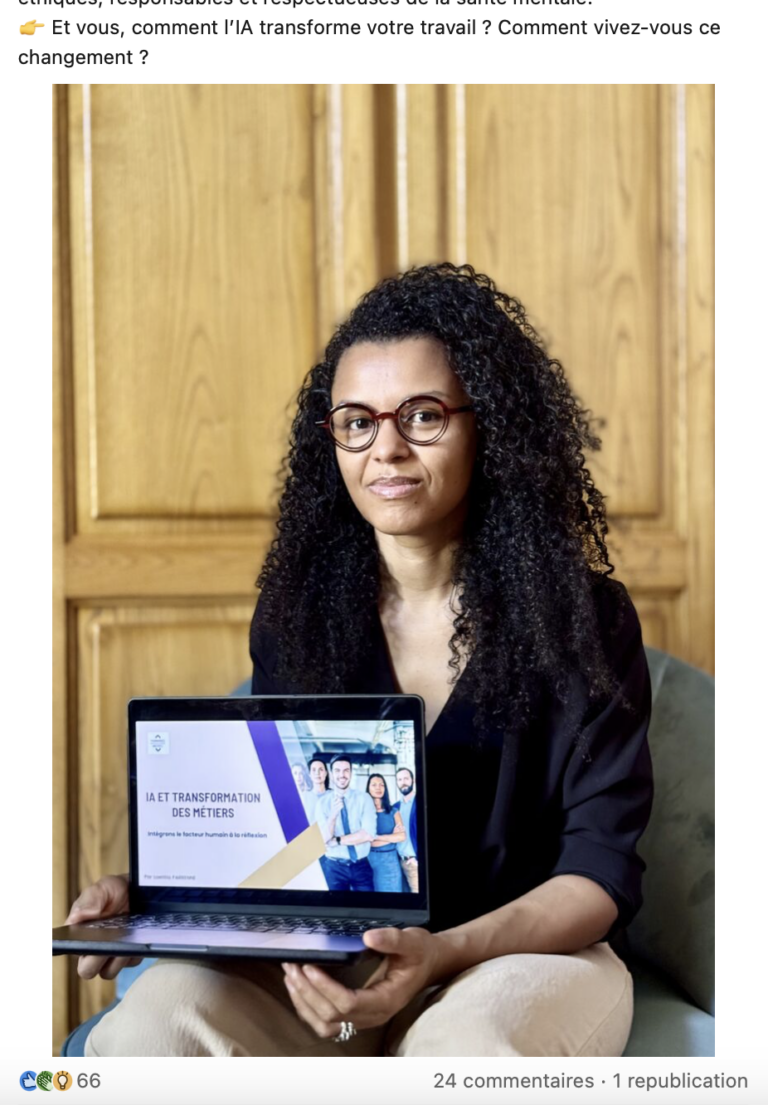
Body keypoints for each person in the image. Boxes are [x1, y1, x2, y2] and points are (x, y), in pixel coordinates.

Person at [72, 263, 652, 1057]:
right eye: (356, 422)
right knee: (156, 1023)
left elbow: (598, 871)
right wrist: (150, 894)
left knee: (465, 1045)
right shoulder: (299, 614)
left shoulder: (585, 617)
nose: (386, 449)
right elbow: (290, 840)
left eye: (422, 416)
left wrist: (442, 953)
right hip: (344, 961)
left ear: (489, 425)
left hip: (523, 954)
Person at [314, 756, 378, 891]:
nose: (342, 775)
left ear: (351, 773)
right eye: (337, 770)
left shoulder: (364, 798)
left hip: (361, 866)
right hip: (334, 868)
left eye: (346, 770)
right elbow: (323, 839)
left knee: (368, 904)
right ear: (331, 774)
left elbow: (368, 834)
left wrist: (337, 840)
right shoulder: (322, 803)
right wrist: (332, 815)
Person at [365, 773, 405, 892]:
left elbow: (402, 836)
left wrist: (376, 837)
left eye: (381, 785)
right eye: (374, 785)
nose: (378, 787)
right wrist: (392, 837)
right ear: (368, 788)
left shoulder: (394, 811)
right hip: (368, 862)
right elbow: (367, 843)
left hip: (390, 864)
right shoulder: (364, 812)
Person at [392, 766, 418, 893]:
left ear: (413, 780)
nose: (403, 782)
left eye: (406, 778)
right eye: (400, 779)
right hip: (398, 863)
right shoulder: (395, 807)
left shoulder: (421, 803)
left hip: (414, 863)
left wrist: (419, 858)